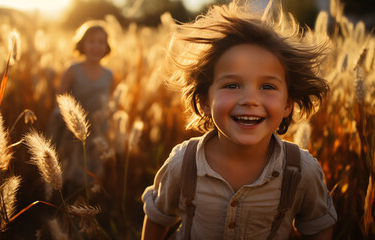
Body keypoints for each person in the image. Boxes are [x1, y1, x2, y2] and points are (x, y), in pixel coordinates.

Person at [141, 1, 337, 239]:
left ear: (288, 104)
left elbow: (319, 224)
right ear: (204, 100)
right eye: (232, 85)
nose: (250, 100)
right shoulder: (184, 163)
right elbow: (158, 217)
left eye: (267, 86)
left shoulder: (301, 171)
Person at [47, 20, 113, 195]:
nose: (96, 46)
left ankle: (86, 199)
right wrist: (61, 125)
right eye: (91, 41)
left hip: (96, 129)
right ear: (82, 45)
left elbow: (109, 103)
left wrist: (107, 122)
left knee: (91, 165)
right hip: (71, 127)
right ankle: (64, 197)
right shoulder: (73, 70)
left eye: (101, 42)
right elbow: (60, 98)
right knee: (69, 164)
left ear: (107, 47)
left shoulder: (109, 75)